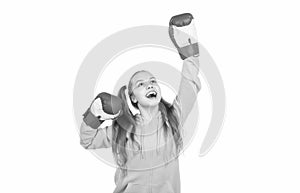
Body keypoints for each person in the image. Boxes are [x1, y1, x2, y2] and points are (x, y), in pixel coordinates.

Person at [80, 13, 201, 193]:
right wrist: (94, 115)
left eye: (153, 81)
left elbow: (190, 82)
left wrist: (189, 48)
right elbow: (87, 141)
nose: (150, 85)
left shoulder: (174, 117)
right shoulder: (122, 129)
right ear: (133, 97)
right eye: (141, 84)